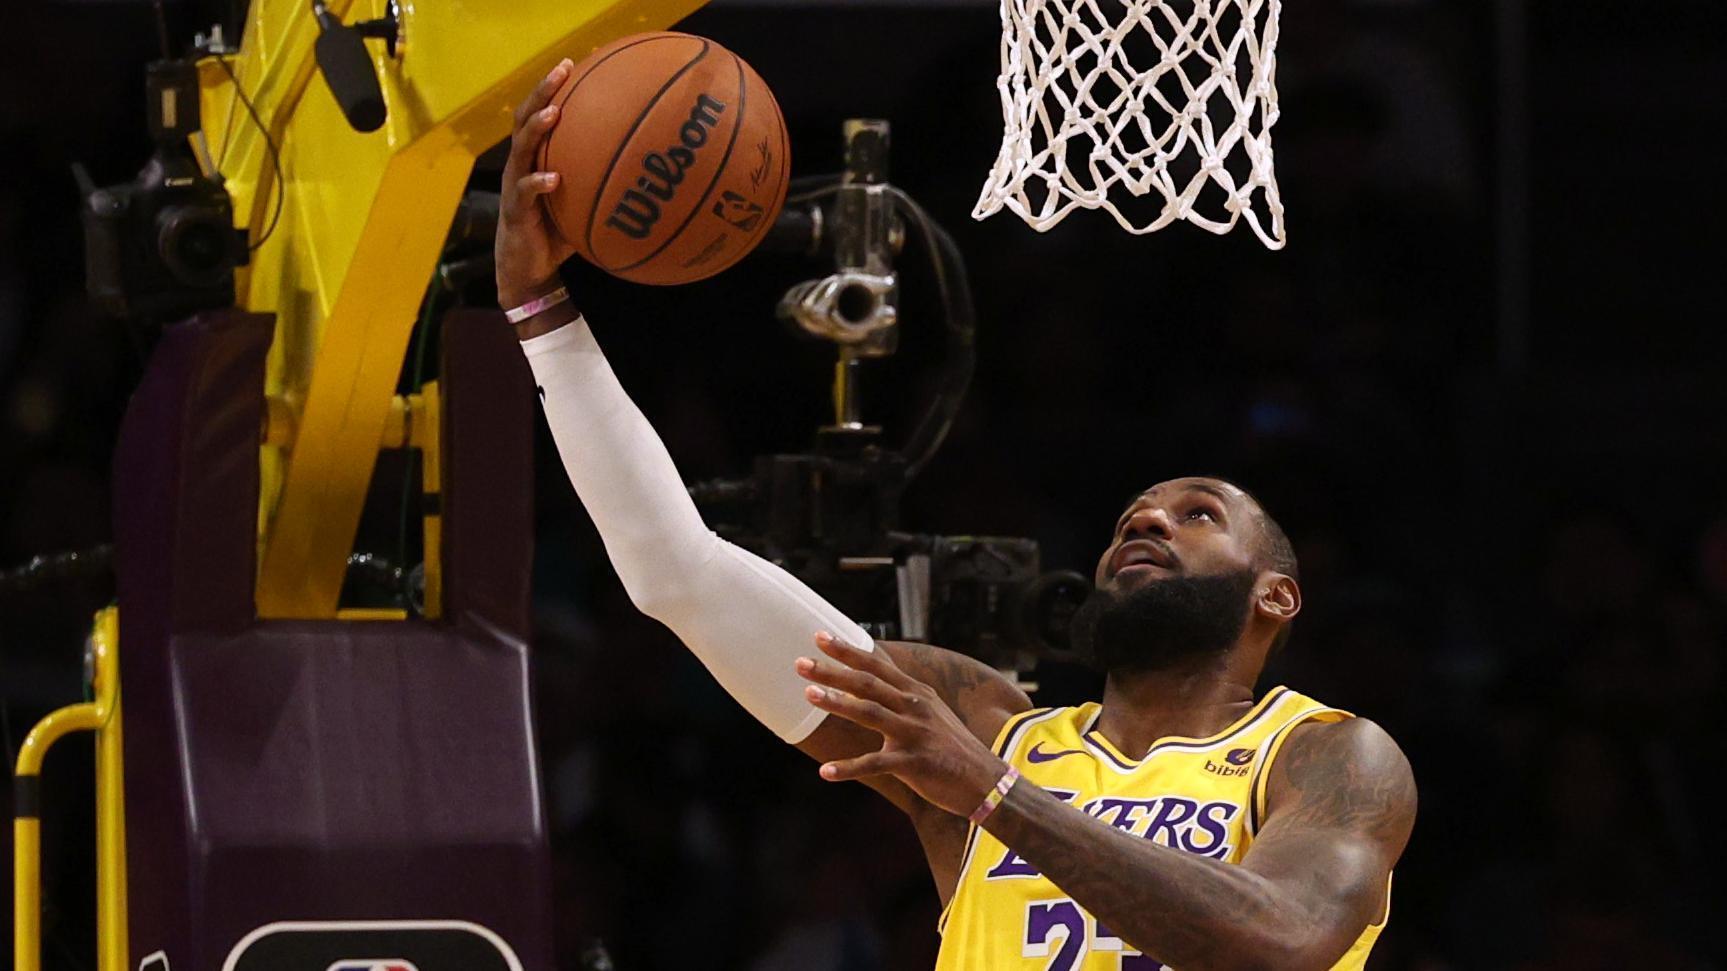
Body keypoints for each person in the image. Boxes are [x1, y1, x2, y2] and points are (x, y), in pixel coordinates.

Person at [497, 60, 1416, 971]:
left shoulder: (1323, 754)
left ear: (1276, 597)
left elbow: (1281, 942)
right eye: (1132, 516)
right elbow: (677, 572)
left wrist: (993, 794)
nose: (1146, 522)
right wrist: (540, 313)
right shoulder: (981, 724)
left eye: (1198, 514)